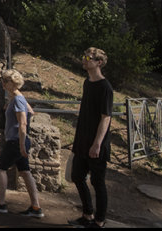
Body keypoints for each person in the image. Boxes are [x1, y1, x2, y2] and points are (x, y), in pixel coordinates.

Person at [0, 69, 44, 218]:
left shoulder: (17, 100)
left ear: (10, 83)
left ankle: (1, 203)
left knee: (1, 168)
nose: (2, 84)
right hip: (20, 141)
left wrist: (22, 145)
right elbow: (31, 112)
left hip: (16, 142)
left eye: (4, 81)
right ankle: (36, 207)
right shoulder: (18, 97)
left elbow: (23, 123)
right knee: (25, 171)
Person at [68, 47, 113, 229]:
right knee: (77, 176)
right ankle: (87, 215)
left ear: (99, 62)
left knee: (97, 182)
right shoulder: (87, 83)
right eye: (84, 56)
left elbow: (106, 118)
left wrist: (97, 144)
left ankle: (99, 221)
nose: (84, 60)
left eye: (89, 57)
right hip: (82, 141)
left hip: (97, 144)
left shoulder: (105, 88)